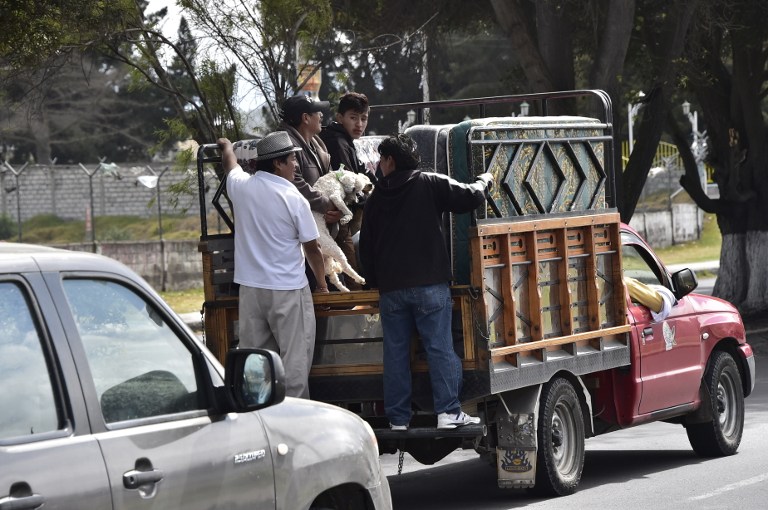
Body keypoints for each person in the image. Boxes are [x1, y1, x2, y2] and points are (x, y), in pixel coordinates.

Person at [358, 133, 494, 430]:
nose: (379, 165)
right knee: (439, 348)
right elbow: (471, 196)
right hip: (430, 286)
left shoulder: (375, 198)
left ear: (390, 161)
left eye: (381, 159)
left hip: (391, 290)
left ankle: (397, 419)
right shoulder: (429, 183)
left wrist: (373, 281)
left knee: (395, 354)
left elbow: (364, 248)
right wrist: (485, 180)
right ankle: (448, 412)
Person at [217, 132, 329, 399]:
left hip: (251, 292)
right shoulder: (293, 198)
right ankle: (292, 424)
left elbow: (229, 164)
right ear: (277, 163)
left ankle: (258, 420)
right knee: (295, 362)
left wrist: (225, 145)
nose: (296, 165)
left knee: (255, 366)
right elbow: (312, 248)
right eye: (292, 159)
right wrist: (323, 285)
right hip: (287, 290)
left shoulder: (242, 187)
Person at [279, 94, 343, 289]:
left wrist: (337, 205)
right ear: (305, 118)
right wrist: (328, 206)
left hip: (322, 229)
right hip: (301, 235)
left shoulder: (317, 142)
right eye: (317, 112)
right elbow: (295, 182)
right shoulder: (285, 143)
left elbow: (331, 177)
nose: (321, 116)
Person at [319, 91, 376, 290]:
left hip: (348, 210)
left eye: (363, 118)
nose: (359, 124)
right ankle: (357, 306)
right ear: (339, 117)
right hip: (340, 213)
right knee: (350, 264)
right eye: (353, 118)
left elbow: (361, 172)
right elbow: (349, 184)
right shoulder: (337, 142)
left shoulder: (346, 140)